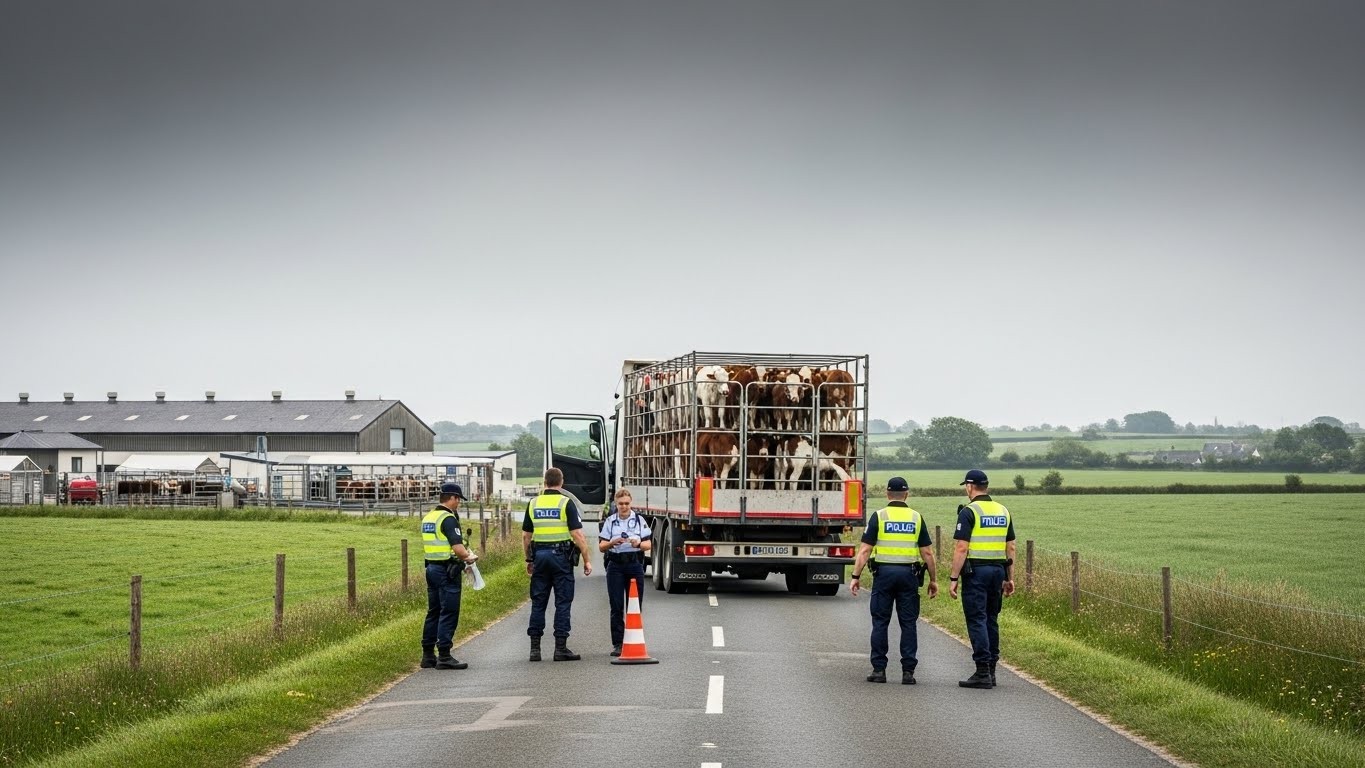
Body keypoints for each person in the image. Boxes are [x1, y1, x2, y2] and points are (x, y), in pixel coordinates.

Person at [850, 476, 938, 684]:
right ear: (907, 494)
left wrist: (855, 576)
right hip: (909, 575)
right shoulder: (916, 517)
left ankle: (879, 670)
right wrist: (934, 579)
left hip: (884, 575)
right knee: (908, 623)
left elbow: (865, 550)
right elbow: (927, 553)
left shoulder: (879, 516)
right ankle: (908, 672)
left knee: (880, 622)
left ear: (887, 494)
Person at [948, 468, 1016, 689]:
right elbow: (1011, 546)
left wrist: (953, 577)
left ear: (969, 486)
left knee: (976, 619)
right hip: (998, 571)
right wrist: (1009, 577)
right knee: (991, 618)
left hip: (976, 571)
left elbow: (961, 547)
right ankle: (992, 670)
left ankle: (982, 671)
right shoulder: (1003, 510)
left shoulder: (969, 511)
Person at [523, 467, 594, 661]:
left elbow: (526, 536)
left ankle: (535, 650)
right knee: (562, 602)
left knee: (538, 603)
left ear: (544, 482)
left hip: (540, 557)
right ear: (561, 483)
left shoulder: (533, 503)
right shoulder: (566, 503)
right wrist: (587, 560)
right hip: (561, 558)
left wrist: (529, 559)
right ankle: (560, 648)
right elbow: (577, 535)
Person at [420, 482, 479, 670]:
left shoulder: (429, 517)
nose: (459, 504)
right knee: (449, 611)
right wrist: (470, 557)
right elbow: (458, 549)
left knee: (434, 611)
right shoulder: (448, 518)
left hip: (431, 568)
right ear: (452, 498)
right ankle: (444, 654)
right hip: (447, 570)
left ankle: (428, 655)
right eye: (458, 500)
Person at [598, 488, 652, 656]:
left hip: (634, 563)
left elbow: (648, 544)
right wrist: (612, 542)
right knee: (616, 606)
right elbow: (601, 546)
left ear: (631, 503)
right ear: (616, 503)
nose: (624, 507)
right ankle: (618, 644)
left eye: (627, 504)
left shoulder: (639, 520)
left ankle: (633, 638)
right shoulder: (610, 521)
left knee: (634, 605)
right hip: (615, 564)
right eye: (621, 504)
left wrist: (638, 544)